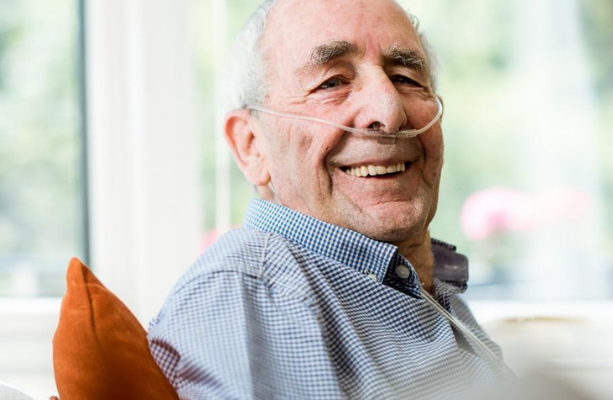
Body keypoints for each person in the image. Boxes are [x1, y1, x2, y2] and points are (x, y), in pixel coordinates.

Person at [148, 0, 507, 398]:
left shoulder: (411, 282)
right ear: (251, 147)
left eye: (406, 78)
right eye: (332, 83)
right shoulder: (255, 292)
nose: (389, 111)